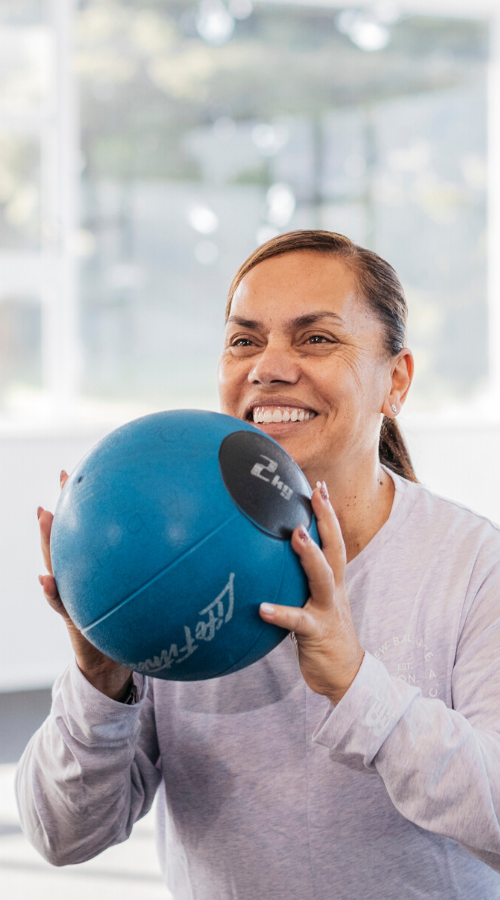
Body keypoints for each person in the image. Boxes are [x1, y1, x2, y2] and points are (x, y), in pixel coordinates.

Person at [16, 230, 500, 899]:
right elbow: (63, 835)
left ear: (396, 381)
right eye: (245, 340)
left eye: (316, 338)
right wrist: (101, 679)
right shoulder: (169, 563)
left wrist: (356, 688)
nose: (268, 366)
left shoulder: (474, 567)